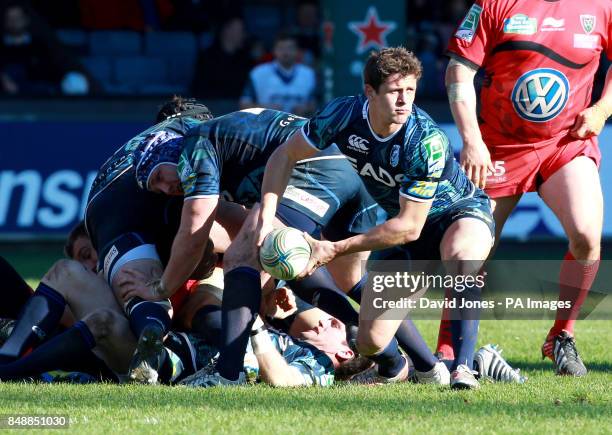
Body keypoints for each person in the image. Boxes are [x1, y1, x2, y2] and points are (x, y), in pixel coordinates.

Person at [257, 47, 496, 389]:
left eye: (410, 90)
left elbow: (408, 227)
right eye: (395, 91)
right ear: (370, 92)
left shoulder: (425, 141)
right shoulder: (343, 114)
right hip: (410, 231)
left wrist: (334, 248)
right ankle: (434, 370)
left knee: (462, 256)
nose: (404, 101)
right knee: (370, 340)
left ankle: (464, 368)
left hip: (458, 212)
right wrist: (266, 214)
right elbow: (285, 154)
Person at [444, 0, 611, 376]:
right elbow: (458, 70)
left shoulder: (601, 6)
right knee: (469, 250)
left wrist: (602, 108)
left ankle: (561, 337)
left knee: (586, 235)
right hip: (498, 147)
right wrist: (471, 140)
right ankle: (447, 347)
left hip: (565, 143)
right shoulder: (494, 4)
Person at [240, 32, 317, 116]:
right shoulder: (258, 73)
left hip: (300, 126)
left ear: (297, 51)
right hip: (267, 127)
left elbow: (314, 105)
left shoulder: (308, 74)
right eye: (281, 48)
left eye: (290, 48)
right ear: (274, 50)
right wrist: (265, 109)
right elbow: (243, 105)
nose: (285, 53)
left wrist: (306, 109)